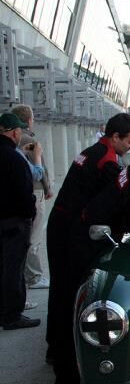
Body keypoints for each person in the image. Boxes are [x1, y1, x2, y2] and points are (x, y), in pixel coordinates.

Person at [46, 113, 130, 384]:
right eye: (129, 141)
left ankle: (55, 350)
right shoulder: (106, 161)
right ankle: (66, 368)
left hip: (63, 224)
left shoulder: (93, 152)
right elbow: (114, 201)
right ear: (115, 137)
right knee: (71, 293)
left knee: (61, 290)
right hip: (70, 231)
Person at [0, 113, 40, 331]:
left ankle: (3, 311)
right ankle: (13, 315)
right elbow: (25, 193)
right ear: (14, 132)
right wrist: (29, 214)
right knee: (14, 269)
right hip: (15, 222)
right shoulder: (15, 159)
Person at [12, 105, 52, 292]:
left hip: (22, 192)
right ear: (28, 120)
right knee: (34, 236)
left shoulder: (16, 141)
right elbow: (40, 167)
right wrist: (48, 188)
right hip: (35, 192)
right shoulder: (28, 140)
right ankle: (34, 276)